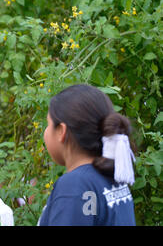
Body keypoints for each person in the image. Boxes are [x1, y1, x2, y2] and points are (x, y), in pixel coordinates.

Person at [38, 84, 136, 226]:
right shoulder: (114, 179)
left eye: (48, 124)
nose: (45, 132)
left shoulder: (74, 185)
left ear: (61, 131)